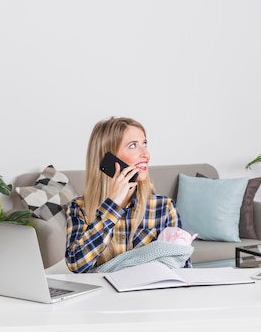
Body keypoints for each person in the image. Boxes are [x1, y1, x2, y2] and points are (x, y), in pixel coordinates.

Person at [65, 116, 190, 273]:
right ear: (107, 159)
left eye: (144, 144)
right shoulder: (79, 208)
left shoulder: (163, 208)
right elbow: (76, 265)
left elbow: (182, 268)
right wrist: (112, 206)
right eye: (133, 146)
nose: (145, 154)